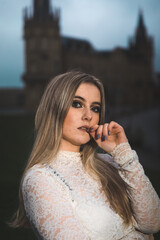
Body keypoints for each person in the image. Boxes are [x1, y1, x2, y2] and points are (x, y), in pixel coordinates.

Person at [12, 71, 160, 239]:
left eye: (95, 108)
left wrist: (123, 152)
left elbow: (152, 223)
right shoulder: (40, 179)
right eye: (77, 104)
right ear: (54, 109)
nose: (88, 116)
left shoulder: (110, 162)